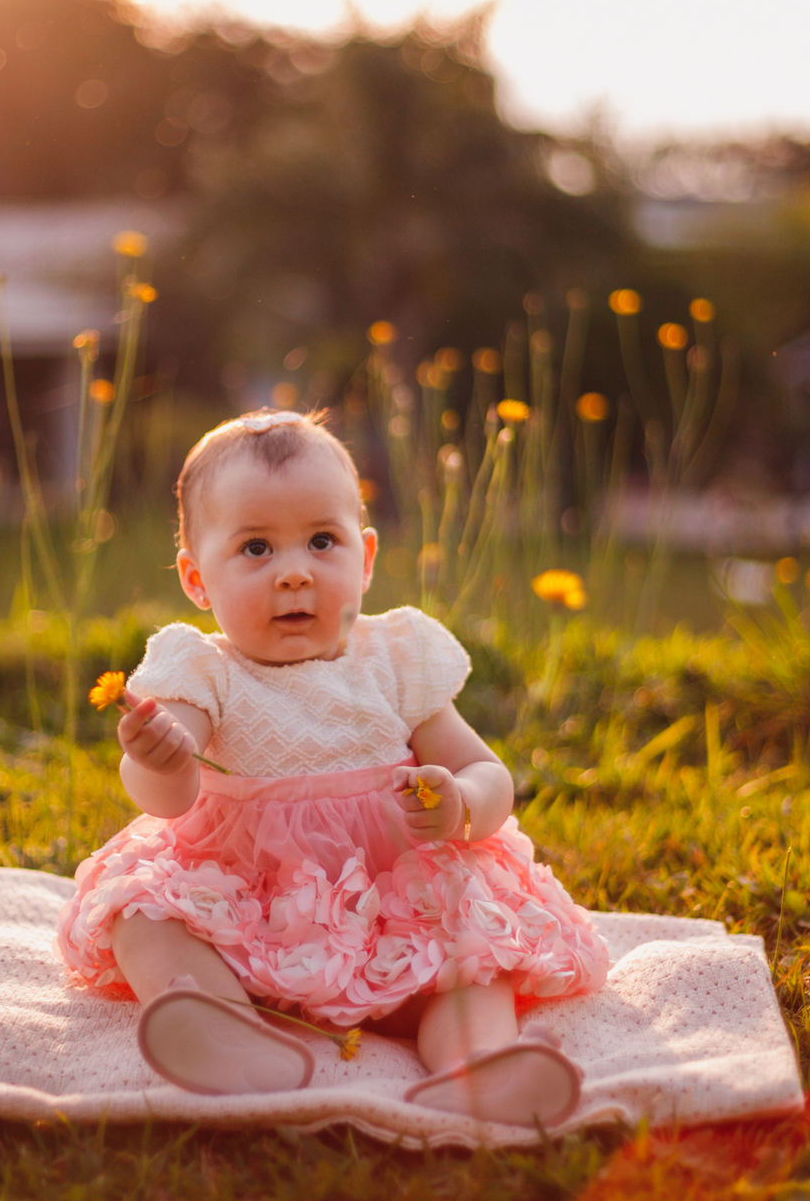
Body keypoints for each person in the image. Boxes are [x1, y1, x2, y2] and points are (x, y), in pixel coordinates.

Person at [58, 410, 609, 1127]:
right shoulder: (202, 670)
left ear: (366, 558)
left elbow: (488, 774)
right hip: (245, 900)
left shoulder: (397, 660)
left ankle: (479, 1066)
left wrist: (462, 804)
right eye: (255, 548)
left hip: (396, 900)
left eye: (323, 541)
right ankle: (221, 1029)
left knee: (474, 956)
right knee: (141, 913)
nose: (294, 573)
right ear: (196, 578)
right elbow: (167, 795)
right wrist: (156, 755)